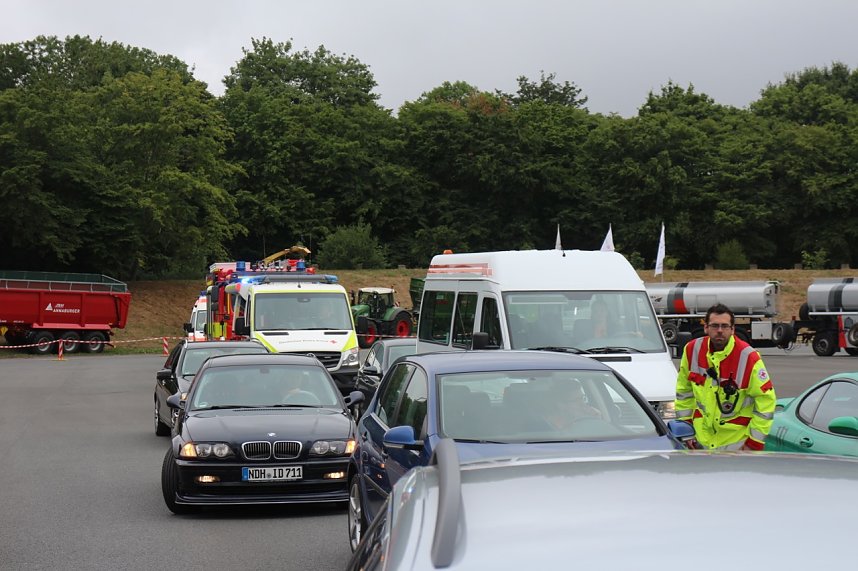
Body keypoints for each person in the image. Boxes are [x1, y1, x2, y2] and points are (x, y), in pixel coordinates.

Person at [674, 303, 776, 451]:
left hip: (736, 446)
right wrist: (686, 431)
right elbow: (684, 393)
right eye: (715, 326)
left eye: (725, 326)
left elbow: (766, 402)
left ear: (733, 329)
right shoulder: (692, 350)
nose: (720, 331)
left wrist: (754, 443)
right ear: (706, 328)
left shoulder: (749, 357)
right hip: (700, 442)